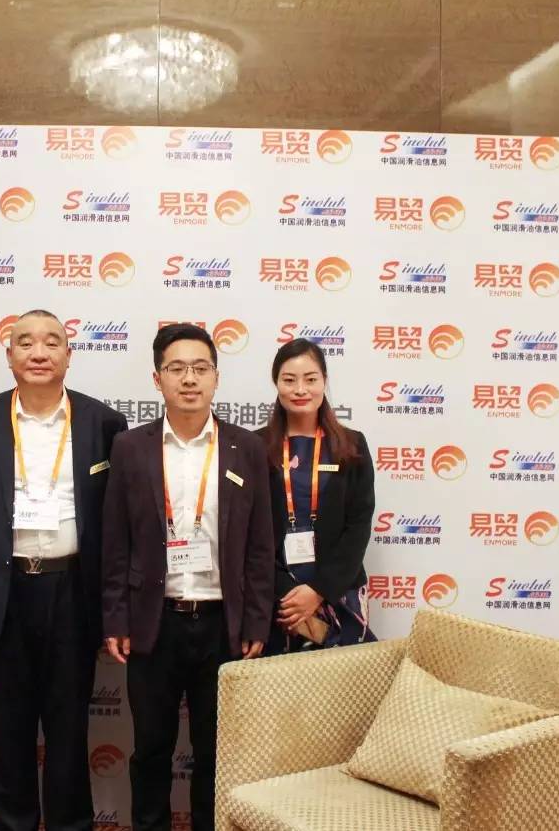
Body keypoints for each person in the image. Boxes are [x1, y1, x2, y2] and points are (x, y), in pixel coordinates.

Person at [0, 309, 127, 831]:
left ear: (69, 355)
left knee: (69, 729)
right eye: (25, 342)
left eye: (52, 342)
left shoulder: (102, 423)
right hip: (7, 590)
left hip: (73, 590)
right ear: (9, 356)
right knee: (10, 728)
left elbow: (114, 516)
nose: (39, 352)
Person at [101, 323, 275, 831]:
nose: (189, 379)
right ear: (157, 379)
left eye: (200, 368)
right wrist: (116, 618)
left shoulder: (247, 448)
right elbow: (116, 543)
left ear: (216, 377)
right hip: (154, 624)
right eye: (177, 368)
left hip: (223, 625)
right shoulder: (130, 448)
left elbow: (261, 546)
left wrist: (257, 622)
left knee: (215, 753)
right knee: (150, 749)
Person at [256, 338, 376, 654]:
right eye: (289, 380)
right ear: (276, 383)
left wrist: (319, 590)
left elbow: (359, 525)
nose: (300, 389)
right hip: (279, 600)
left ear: (324, 381)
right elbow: (251, 531)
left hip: (340, 592)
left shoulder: (352, 445)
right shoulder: (255, 447)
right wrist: (287, 592)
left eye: (310, 379)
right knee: (279, 682)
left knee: (343, 681)